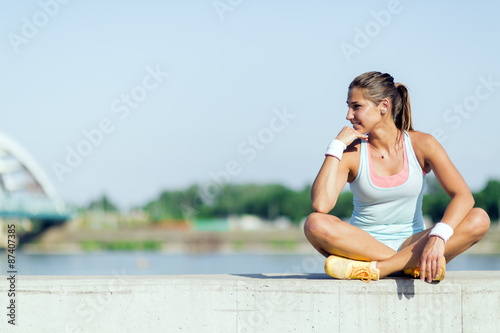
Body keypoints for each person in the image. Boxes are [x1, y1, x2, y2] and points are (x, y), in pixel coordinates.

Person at [303, 71, 490, 283]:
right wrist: (335, 147)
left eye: (356, 106)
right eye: (348, 106)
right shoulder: (350, 152)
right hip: (363, 247)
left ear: (383, 106)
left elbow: (464, 196)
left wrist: (438, 237)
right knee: (314, 223)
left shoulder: (422, 144)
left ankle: (379, 270)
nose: (348, 115)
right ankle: (410, 265)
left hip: (414, 242)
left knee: (479, 218)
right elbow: (321, 204)